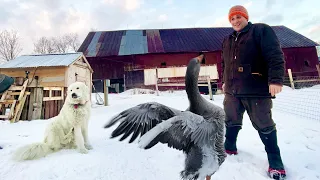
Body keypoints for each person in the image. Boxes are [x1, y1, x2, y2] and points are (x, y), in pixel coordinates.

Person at [221, 5, 286, 179]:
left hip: (256, 90)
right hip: (232, 92)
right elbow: (224, 64)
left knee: (264, 124)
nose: (235, 21)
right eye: (232, 18)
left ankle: (275, 162)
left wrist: (276, 80)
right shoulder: (227, 40)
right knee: (231, 120)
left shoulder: (260, 31)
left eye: (238, 17)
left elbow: (274, 55)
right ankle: (229, 147)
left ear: (246, 17)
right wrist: (224, 82)